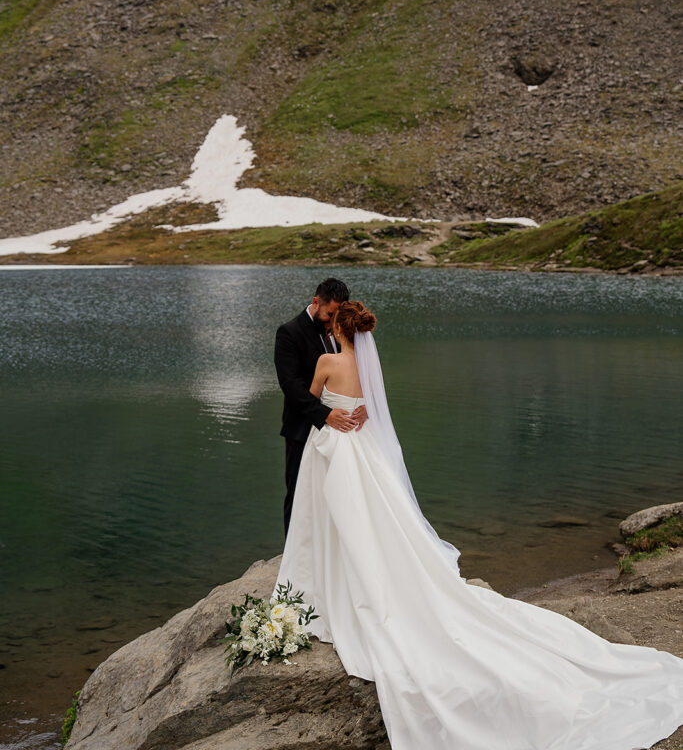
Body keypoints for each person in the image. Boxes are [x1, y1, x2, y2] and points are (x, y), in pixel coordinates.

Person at [275, 300, 683, 750]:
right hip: (363, 448)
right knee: (371, 517)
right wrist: (355, 410)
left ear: (338, 328)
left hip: (334, 446)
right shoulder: (369, 366)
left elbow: (310, 400)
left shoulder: (327, 362)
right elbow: (371, 406)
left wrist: (332, 412)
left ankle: (329, 580)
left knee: (332, 514)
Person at [273, 278, 367, 536]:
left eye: (337, 315)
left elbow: (363, 374)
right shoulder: (289, 333)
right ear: (316, 302)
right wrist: (326, 415)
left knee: (339, 495)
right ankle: (294, 556)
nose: (333, 321)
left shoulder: (344, 332)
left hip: (343, 434)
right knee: (300, 495)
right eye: (329, 314)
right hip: (303, 429)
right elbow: (291, 386)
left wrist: (367, 406)